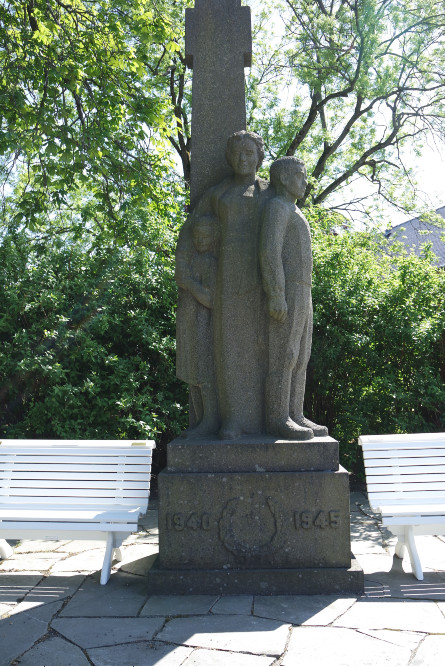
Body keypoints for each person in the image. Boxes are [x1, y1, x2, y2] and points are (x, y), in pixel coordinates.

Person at [176, 131, 271, 439]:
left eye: (249, 154)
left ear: (259, 157)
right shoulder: (218, 195)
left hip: (262, 278)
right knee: (227, 350)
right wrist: (189, 281)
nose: (244, 159)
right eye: (238, 155)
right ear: (230, 159)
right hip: (226, 280)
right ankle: (229, 420)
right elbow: (189, 236)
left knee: (262, 350)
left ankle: (268, 419)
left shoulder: (270, 193)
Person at [260, 156, 328, 439]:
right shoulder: (277, 207)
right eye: (300, 175)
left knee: (301, 355)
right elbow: (269, 251)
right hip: (288, 290)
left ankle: (295, 412)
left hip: (303, 290)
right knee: (285, 353)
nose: (305, 181)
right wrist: (276, 293)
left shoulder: (293, 210)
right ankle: (278, 418)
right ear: (284, 179)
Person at [175, 215, 219, 437]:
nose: (201, 240)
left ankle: (209, 420)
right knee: (191, 374)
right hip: (188, 324)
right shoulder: (192, 261)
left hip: (203, 325)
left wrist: (190, 283)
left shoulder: (211, 263)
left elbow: (211, 299)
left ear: (213, 238)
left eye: (206, 236)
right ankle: (200, 421)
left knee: (203, 374)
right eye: (197, 236)